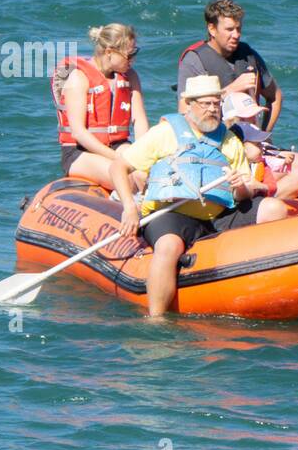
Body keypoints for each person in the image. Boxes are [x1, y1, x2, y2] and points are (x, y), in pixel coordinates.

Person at [110, 75, 289, 317]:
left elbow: (243, 190)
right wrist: (129, 207)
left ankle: (269, 287)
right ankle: (156, 319)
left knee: (275, 209)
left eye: (216, 103)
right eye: (206, 104)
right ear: (190, 105)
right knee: (168, 245)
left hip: (217, 213)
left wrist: (240, 187)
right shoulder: (165, 133)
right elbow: (119, 167)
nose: (212, 110)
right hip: (172, 213)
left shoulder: (229, 140)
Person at [176, 0, 298, 197]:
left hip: (253, 142)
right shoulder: (194, 60)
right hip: (217, 143)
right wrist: (230, 89)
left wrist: (263, 135)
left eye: (239, 29)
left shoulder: (248, 55)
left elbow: (275, 97)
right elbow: (184, 111)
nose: (236, 35)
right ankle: (255, 202)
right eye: (229, 29)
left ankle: (261, 200)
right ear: (212, 29)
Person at [52, 23, 149, 189]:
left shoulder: (130, 77)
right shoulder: (78, 78)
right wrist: (118, 159)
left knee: (146, 175)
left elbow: (139, 120)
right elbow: (79, 133)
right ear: (109, 52)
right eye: (129, 54)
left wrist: (146, 155)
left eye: (135, 52)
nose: (133, 59)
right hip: (79, 152)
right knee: (125, 178)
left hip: (117, 145)